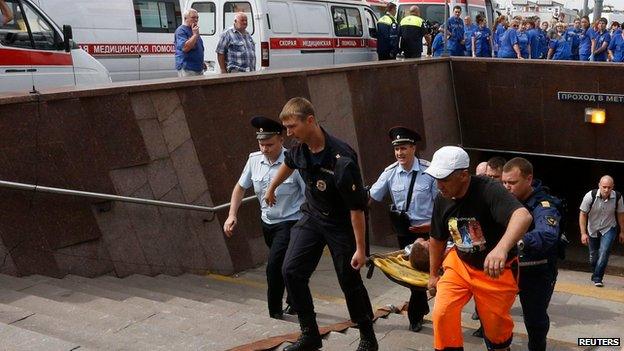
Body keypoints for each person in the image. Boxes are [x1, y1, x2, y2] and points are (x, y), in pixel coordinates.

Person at [264, 97, 378, 351]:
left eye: (292, 126)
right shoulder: (300, 148)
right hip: (313, 216)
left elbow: (356, 208)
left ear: (310, 121)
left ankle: (368, 337)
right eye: (287, 128)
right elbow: (289, 164)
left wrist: (361, 249)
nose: (289, 133)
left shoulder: (342, 158)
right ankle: (310, 334)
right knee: (291, 271)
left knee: (349, 280)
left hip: (341, 223)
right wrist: (272, 186)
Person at [426, 146, 532, 351]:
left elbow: (523, 216)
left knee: (496, 332)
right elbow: (436, 239)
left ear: (464, 175)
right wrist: (432, 274)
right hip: (460, 264)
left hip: (495, 272)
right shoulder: (442, 197)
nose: (439, 185)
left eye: (444, 179)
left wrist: (501, 249)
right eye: (436, 179)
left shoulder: (489, 189)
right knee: (442, 312)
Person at [224, 116, 306, 320]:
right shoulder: (254, 160)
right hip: (267, 222)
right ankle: (295, 300)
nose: (265, 149)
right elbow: (240, 187)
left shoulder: (293, 161)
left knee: (274, 267)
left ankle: (275, 311)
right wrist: (232, 214)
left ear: (281, 139)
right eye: (261, 144)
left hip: (290, 222)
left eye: (269, 144)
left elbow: (308, 194)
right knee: (286, 265)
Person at [369, 126, 437, 333]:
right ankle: (416, 315)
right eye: (397, 149)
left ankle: (422, 309)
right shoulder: (390, 173)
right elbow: (371, 197)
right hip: (406, 234)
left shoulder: (430, 171)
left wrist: (433, 227)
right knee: (413, 276)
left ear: (414, 148)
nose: (400, 153)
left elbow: (443, 205)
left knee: (433, 274)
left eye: (404, 148)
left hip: (430, 232)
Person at [502, 158, 561, 351]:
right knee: (494, 314)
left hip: (537, 272)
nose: (507, 187)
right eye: (504, 182)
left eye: (512, 183)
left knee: (535, 320)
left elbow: (547, 233)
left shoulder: (543, 205)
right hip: (508, 269)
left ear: (529, 179)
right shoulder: (503, 199)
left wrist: (518, 242)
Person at [579, 175, 624, 287]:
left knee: (604, 252)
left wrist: (622, 231)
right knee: (593, 256)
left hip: (609, 227)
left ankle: (598, 278)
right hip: (592, 228)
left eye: (609, 187)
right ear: (599, 185)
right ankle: (595, 272)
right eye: (604, 187)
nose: (606, 190)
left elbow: (620, 214)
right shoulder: (590, 196)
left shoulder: (618, 197)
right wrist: (583, 233)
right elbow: (583, 214)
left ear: (613, 187)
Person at [174, 9, 205, 77]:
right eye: (193, 17)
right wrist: (195, 35)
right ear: (185, 18)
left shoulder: (193, 30)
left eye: (197, 17)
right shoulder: (181, 31)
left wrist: (202, 62)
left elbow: (199, 47)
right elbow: (185, 48)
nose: (196, 20)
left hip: (198, 68)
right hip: (187, 68)